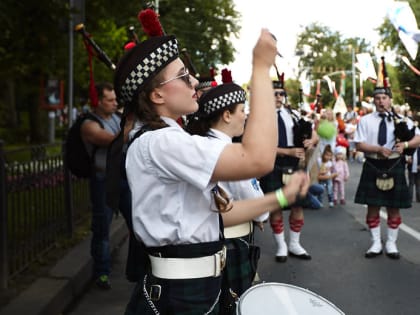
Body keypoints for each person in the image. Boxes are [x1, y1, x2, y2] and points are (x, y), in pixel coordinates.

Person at [114, 29, 309, 314]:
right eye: (182, 76)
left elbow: (219, 217)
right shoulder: (162, 142)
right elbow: (257, 159)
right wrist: (261, 68)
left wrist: (281, 197)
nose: (193, 81)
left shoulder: (168, 139)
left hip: (197, 287)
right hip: (181, 294)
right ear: (156, 94)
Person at [185, 82, 269, 313]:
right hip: (233, 241)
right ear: (226, 115)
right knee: (233, 305)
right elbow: (257, 202)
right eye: (242, 110)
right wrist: (261, 212)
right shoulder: (230, 153)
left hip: (208, 242)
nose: (245, 116)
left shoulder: (199, 143)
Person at [354, 85, 420, 260]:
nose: (381, 101)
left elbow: (418, 139)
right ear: (373, 101)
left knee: (394, 208)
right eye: (377, 98)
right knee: (372, 207)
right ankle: (375, 243)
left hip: (394, 164)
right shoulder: (365, 120)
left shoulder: (402, 120)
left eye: (384, 98)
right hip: (373, 164)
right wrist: (377, 148)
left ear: (390, 100)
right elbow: (359, 144)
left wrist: (405, 145)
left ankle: (391, 243)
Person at [259, 77, 318, 263]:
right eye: (275, 94)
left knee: (297, 205)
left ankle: (294, 243)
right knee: (276, 205)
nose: (278, 97)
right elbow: (259, 145)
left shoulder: (292, 114)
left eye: (281, 93)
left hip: (294, 166)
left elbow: (313, 132)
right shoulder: (260, 116)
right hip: (273, 165)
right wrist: (287, 151)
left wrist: (311, 141)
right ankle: (281, 245)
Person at [80, 82, 132, 289]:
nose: (114, 103)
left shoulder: (119, 119)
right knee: (102, 228)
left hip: (123, 179)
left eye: (115, 99)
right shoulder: (89, 124)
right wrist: (131, 123)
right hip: (103, 181)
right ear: (98, 102)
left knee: (137, 223)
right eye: (109, 100)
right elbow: (111, 140)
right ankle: (102, 273)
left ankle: (139, 267)